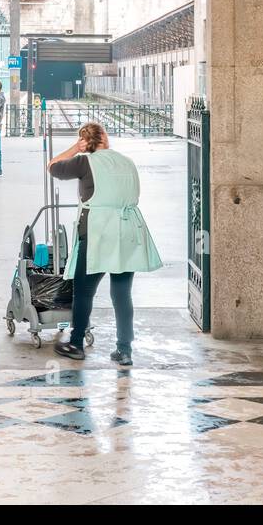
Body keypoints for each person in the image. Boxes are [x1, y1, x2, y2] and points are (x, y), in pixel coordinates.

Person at [49, 122, 162, 367]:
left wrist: (73, 149)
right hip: (127, 230)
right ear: (105, 138)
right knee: (121, 293)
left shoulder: (84, 162)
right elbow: (134, 195)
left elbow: (53, 167)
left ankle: (76, 343)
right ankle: (124, 349)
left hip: (97, 233)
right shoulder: (127, 162)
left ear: (85, 142)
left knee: (84, 290)